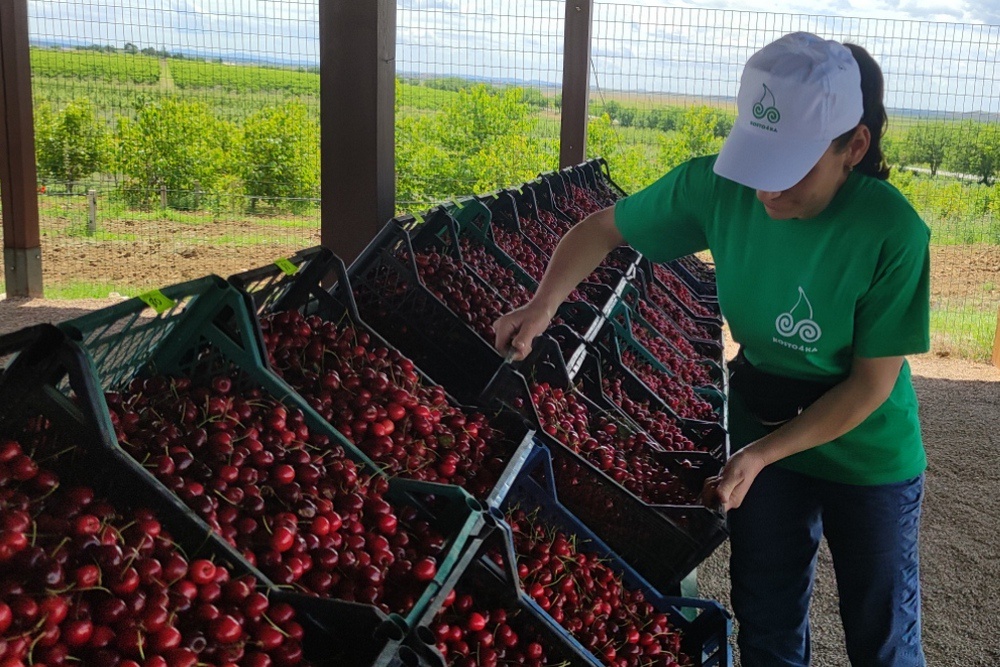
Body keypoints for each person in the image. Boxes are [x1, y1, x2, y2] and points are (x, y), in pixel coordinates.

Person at [494, 32, 929, 666]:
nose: (767, 193)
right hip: (762, 422)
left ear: (853, 147)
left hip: (866, 451)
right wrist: (543, 304)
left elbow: (870, 385)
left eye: (791, 170)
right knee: (768, 621)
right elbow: (605, 229)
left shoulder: (890, 229)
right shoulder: (718, 187)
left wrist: (761, 453)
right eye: (759, 164)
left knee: (882, 630)